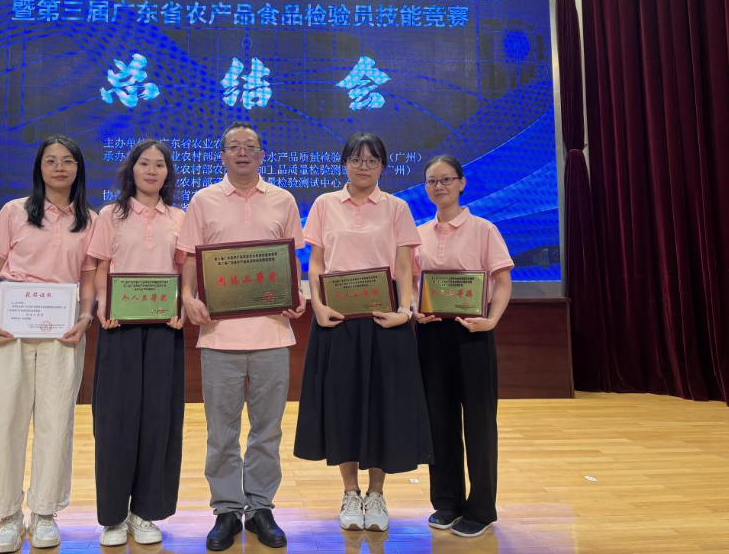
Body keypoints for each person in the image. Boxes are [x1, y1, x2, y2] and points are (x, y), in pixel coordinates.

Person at [294, 133, 433, 532]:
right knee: (344, 406)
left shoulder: (397, 207)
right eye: (356, 159)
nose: (363, 167)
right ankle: (350, 492)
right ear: (345, 163)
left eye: (372, 161)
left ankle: (376, 494)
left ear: (383, 166)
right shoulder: (324, 204)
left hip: (383, 319)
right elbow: (316, 263)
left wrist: (404, 311)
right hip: (337, 319)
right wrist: (318, 305)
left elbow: (404, 267)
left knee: (383, 405)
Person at [178, 122, 306, 551]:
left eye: (250, 146)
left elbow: (291, 259)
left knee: (267, 430)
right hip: (218, 336)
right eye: (234, 146)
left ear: (262, 154)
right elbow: (190, 258)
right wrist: (187, 297)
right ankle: (227, 510)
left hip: (272, 334)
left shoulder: (283, 199)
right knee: (222, 432)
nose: (242, 152)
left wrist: (295, 295)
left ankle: (261, 507)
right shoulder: (203, 200)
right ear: (222, 155)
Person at [0, 136, 97, 553]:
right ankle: (7, 514)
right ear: (39, 168)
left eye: (67, 161)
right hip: (9, 329)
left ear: (78, 168)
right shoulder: (14, 211)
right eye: (50, 161)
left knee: (56, 420)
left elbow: (89, 280)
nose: (59, 167)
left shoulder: (90, 220)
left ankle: (44, 512)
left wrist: (85, 318)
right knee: (4, 419)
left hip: (63, 331)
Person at [88, 140, 186, 547]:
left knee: (159, 421)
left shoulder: (180, 218)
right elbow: (100, 268)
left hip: (165, 329)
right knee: (115, 422)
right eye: (144, 163)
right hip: (119, 327)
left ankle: (145, 512)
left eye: (159, 165)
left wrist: (182, 307)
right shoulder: (110, 215)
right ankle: (113, 516)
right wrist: (102, 305)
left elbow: (184, 272)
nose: (152, 171)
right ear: (131, 169)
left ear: (168, 173)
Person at [413, 155, 513, 538]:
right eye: (431, 181)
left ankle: (482, 508)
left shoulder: (484, 229)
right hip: (431, 335)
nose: (438, 187)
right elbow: (409, 282)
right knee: (438, 421)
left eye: (446, 179)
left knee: (479, 422)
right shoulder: (419, 233)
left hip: (473, 333)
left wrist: (492, 320)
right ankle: (447, 502)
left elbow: (502, 281)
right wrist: (414, 309)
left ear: (461, 183)